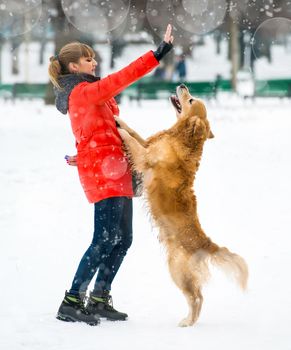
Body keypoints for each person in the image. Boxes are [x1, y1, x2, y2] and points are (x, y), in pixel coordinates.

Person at [48, 24, 174, 326]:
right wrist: (156, 55)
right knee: (103, 240)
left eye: (93, 58)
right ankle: (72, 300)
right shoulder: (81, 92)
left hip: (116, 170)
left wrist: (86, 153)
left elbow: (94, 132)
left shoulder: (90, 93)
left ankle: (100, 297)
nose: (94, 63)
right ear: (74, 66)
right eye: (88, 59)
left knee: (123, 239)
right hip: (105, 175)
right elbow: (121, 80)